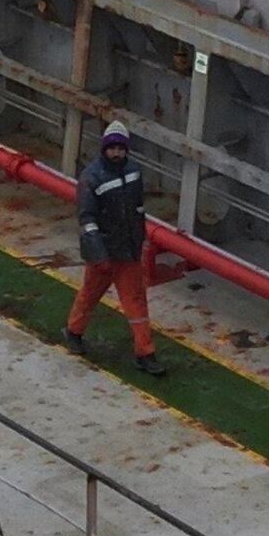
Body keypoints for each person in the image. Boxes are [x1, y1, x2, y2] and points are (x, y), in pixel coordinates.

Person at [64, 120, 162, 370]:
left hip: (127, 252)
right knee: (90, 294)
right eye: (113, 148)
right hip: (105, 253)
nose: (116, 152)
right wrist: (98, 255)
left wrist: (138, 243)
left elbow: (137, 211)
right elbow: (87, 220)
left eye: (121, 148)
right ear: (104, 148)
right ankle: (73, 331)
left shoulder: (133, 172)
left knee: (136, 303)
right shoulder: (91, 178)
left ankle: (145, 353)